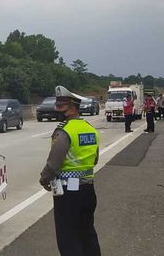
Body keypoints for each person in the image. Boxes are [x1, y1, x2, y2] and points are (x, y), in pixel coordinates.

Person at [39, 85, 101, 256]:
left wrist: (44, 179)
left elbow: (54, 163)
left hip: (68, 192)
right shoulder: (90, 129)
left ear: (73, 108)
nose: (56, 109)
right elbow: (95, 159)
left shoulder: (64, 131)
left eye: (61, 107)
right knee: (87, 232)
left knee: (68, 237)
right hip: (88, 189)